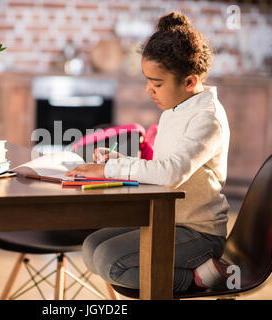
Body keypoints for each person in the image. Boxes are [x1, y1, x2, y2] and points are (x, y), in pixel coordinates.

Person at [65, 12, 231, 293]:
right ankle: (188, 272)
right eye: (148, 81)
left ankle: (199, 278)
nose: (148, 90)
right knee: (92, 245)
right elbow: (163, 165)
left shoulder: (208, 118)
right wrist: (120, 161)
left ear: (190, 82)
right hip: (168, 219)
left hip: (198, 233)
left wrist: (106, 171)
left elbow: (170, 175)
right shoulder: (176, 107)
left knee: (111, 261)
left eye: (156, 84)